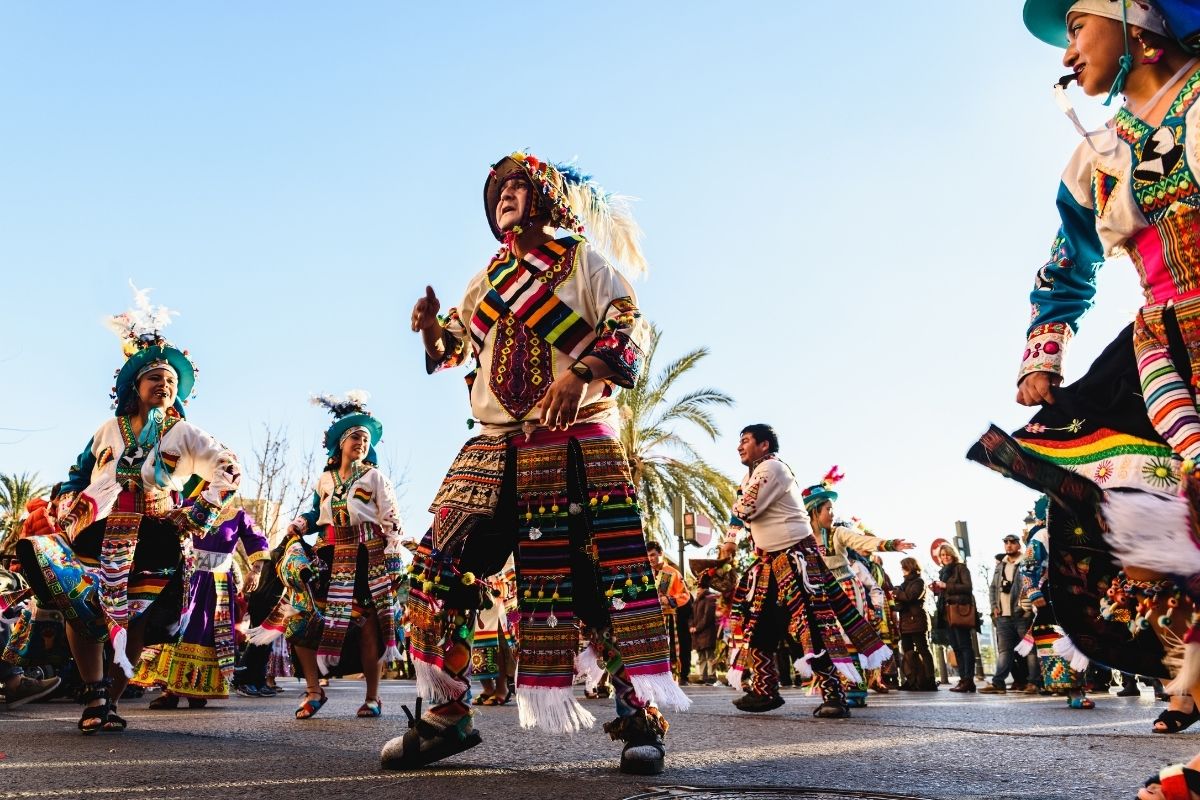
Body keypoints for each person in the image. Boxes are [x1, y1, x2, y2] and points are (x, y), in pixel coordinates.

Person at [386, 151, 686, 776]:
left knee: (595, 582)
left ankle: (638, 717)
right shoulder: (487, 280)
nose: (505, 196)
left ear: (546, 198)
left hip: (573, 441)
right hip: (494, 443)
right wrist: (429, 335)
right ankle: (446, 715)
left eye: (518, 186)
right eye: (497, 190)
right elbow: (457, 348)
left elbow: (628, 324)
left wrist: (582, 372)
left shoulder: (584, 262)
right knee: (440, 571)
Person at [9, 287, 241, 733]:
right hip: (96, 530)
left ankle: (109, 700)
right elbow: (77, 475)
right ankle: (94, 690)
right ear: (134, 386)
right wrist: (65, 505)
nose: (164, 385)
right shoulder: (106, 430)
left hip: (154, 534)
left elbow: (229, 468)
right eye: (155, 377)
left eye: (171, 380)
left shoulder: (185, 433)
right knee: (84, 606)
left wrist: (195, 515)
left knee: (133, 613)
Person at [721, 424, 891, 718]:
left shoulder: (773, 469)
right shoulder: (749, 476)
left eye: (745, 441)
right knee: (760, 624)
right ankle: (765, 689)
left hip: (797, 559)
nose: (739, 446)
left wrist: (733, 532)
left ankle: (835, 695)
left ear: (764, 445)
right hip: (769, 562)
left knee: (811, 627)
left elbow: (745, 509)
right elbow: (740, 514)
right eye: (739, 441)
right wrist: (728, 541)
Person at [279, 392, 404, 720]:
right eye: (354, 437)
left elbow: (391, 520)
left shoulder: (375, 478)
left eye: (365, 438)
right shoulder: (325, 480)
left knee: (367, 627)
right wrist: (299, 524)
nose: (360, 442)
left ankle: (373, 697)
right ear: (340, 444)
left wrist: (392, 560)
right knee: (300, 619)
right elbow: (313, 512)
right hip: (328, 557)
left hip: (366, 558)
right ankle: (313, 690)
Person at [132, 506, 269, 706]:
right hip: (188, 578)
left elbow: (257, 540)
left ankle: (197, 689)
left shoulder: (239, 515)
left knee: (206, 633)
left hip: (217, 586)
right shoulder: (192, 505)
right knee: (177, 630)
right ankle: (169, 691)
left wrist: (256, 570)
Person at [803, 472, 915, 707]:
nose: (832, 514)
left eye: (832, 509)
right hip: (821, 592)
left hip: (846, 589)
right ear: (814, 511)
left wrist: (891, 544)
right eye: (827, 509)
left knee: (850, 639)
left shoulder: (838, 533)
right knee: (827, 641)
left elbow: (862, 541)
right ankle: (834, 688)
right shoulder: (804, 539)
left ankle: (855, 691)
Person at [982, 534, 1034, 694]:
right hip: (1003, 616)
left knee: (1030, 650)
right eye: (1006, 542)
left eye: (1012, 542)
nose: (1009, 545)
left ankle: (1034, 683)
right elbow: (992, 588)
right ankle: (998, 683)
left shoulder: (1026, 562)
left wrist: (1027, 608)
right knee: (1005, 650)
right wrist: (993, 607)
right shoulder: (1000, 565)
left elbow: (1030, 584)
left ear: (1019, 545)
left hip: (1022, 614)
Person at [931, 543, 977, 693]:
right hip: (947, 612)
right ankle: (963, 679)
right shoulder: (944, 572)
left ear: (953, 555)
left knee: (964, 646)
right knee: (956, 647)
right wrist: (938, 590)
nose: (945, 558)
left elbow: (967, 587)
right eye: (942, 555)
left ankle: (969, 679)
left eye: (947, 554)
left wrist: (946, 586)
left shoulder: (960, 568)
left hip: (959, 610)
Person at [646, 541, 692, 683]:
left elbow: (685, 595)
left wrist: (670, 600)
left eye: (653, 555)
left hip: (668, 619)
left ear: (661, 554)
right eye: (648, 556)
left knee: (669, 650)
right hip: (650, 619)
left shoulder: (671, 573)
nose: (651, 558)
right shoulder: (645, 574)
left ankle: (671, 679)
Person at [690, 574, 719, 686]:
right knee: (701, 656)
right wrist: (691, 626)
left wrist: (697, 628)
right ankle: (703, 676)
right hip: (698, 634)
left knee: (709, 655)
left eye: (699, 587)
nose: (697, 590)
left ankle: (711, 677)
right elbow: (691, 616)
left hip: (707, 632)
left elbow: (708, 616)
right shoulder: (697, 600)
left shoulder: (710, 598)